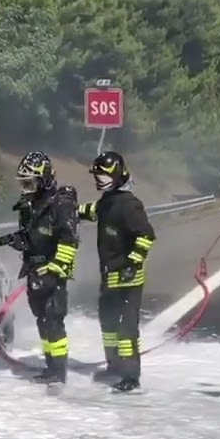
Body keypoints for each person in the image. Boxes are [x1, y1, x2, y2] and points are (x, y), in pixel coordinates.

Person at [0, 151, 79, 384]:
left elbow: (69, 240)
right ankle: (51, 366)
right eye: (22, 182)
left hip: (52, 274)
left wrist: (55, 269)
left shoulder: (60, 205)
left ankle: (58, 373)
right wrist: (7, 240)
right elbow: (30, 235)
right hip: (34, 271)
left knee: (53, 322)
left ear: (44, 180)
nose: (25, 188)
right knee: (43, 320)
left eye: (29, 182)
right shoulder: (30, 205)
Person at [76, 150, 155, 393]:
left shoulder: (129, 205)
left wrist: (132, 263)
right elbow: (91, 211)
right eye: (96, 175)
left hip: (127, 280)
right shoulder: (107, 202)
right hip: (109, 277)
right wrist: (68, 210)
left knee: (126, 329)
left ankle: (131, 376)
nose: (99, 179)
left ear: (118, 175)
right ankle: (114, 365)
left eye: (104, 174)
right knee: (108, 325)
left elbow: (146, 235)